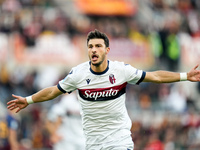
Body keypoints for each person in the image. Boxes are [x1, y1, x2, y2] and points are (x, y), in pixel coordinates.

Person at [7, 29, 200, 150]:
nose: (93, 50)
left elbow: (155, 76)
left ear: (107, 50)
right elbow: (53, 91)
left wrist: (185, 76)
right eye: (90, 46)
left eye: (98, 46)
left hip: (119, 140)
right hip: (92, 143)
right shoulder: (78, 74)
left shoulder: (121, 70)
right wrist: (29, 100)